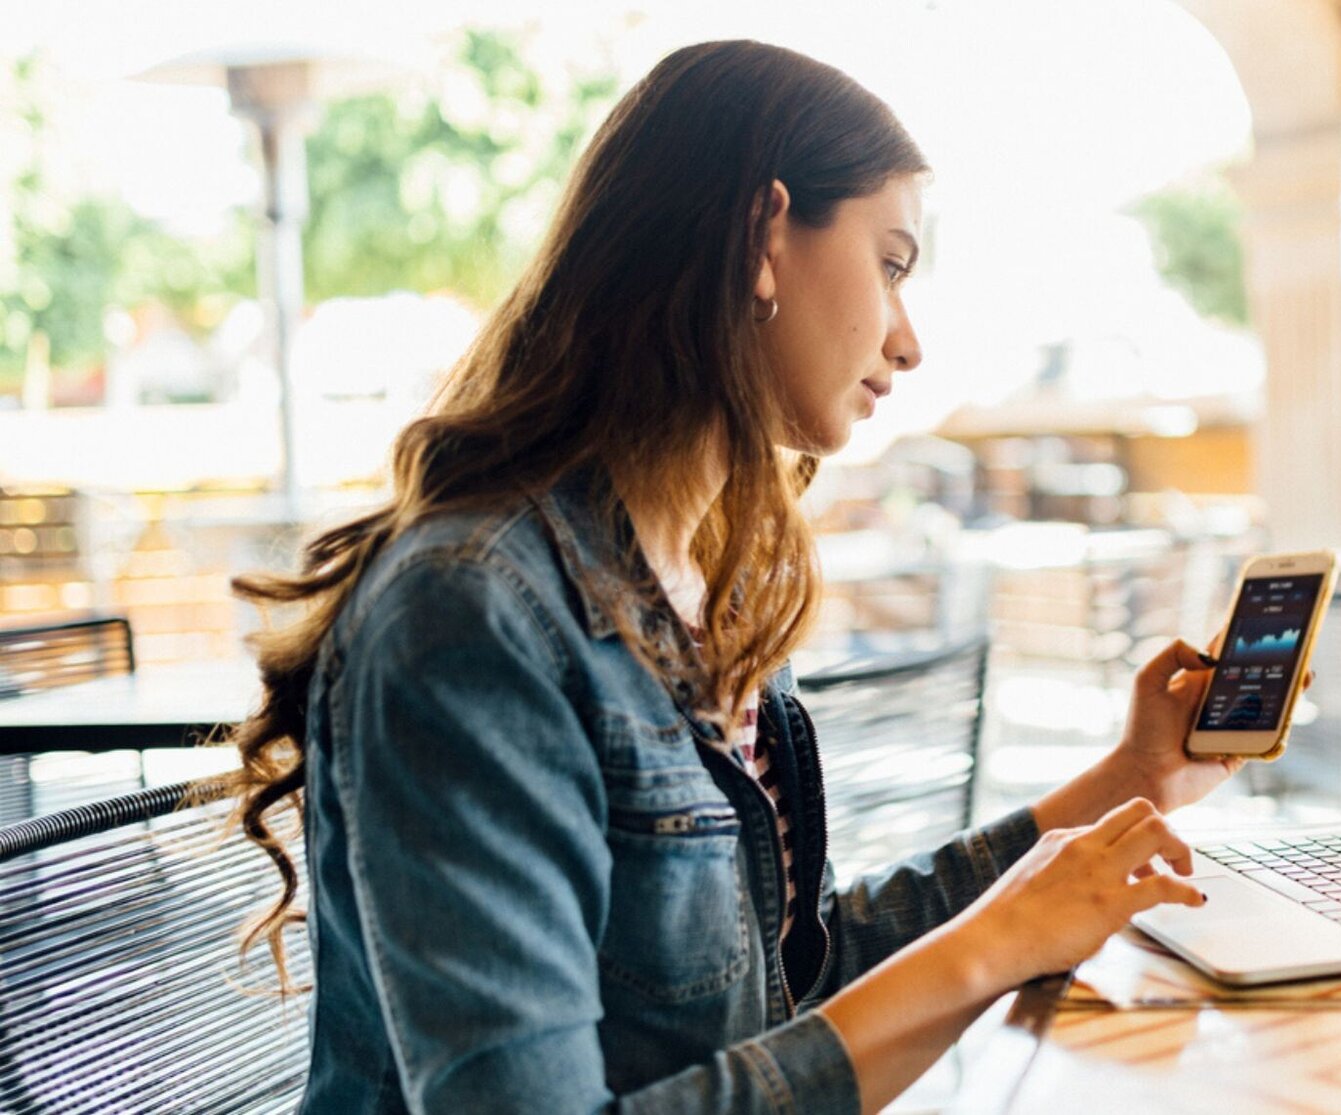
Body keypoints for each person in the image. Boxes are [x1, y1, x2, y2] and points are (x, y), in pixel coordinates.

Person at [220, 39, 1250, 1115]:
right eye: (890, 263)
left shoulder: (713, 582)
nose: (908, 341)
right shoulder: (470, 612)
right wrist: (991, 947)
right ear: (764, 234)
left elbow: (790, 973)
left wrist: (1134, 774)